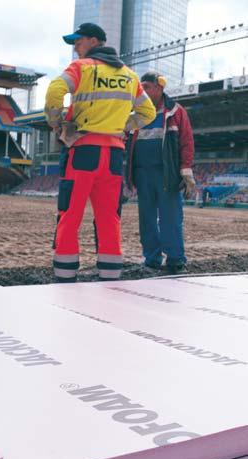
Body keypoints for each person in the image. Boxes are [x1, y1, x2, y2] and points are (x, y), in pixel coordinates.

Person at [45, 23, 156, 282]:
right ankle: (109, 277)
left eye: (78, 41)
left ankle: (64, 277)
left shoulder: (82, 67)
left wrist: (55, 121)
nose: (75, 47)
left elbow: (54, 91)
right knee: (109, 219)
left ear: (95, 41)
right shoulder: (130, 76)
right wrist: (125, 127)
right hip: (114, 157)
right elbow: (148, 112)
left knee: (70, 215)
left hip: (83, 152)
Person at [126, 71, 195, 273]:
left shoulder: (176, 112)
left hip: (167, 174)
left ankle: (175, 259)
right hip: (142, 173)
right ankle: (152, 258)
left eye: (147, 87)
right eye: (142, 87)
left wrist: (186, 171)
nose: (143, 91)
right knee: (146, 219)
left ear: (159, 87)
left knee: (170, 218)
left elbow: (186, 141)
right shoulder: (135, 114)